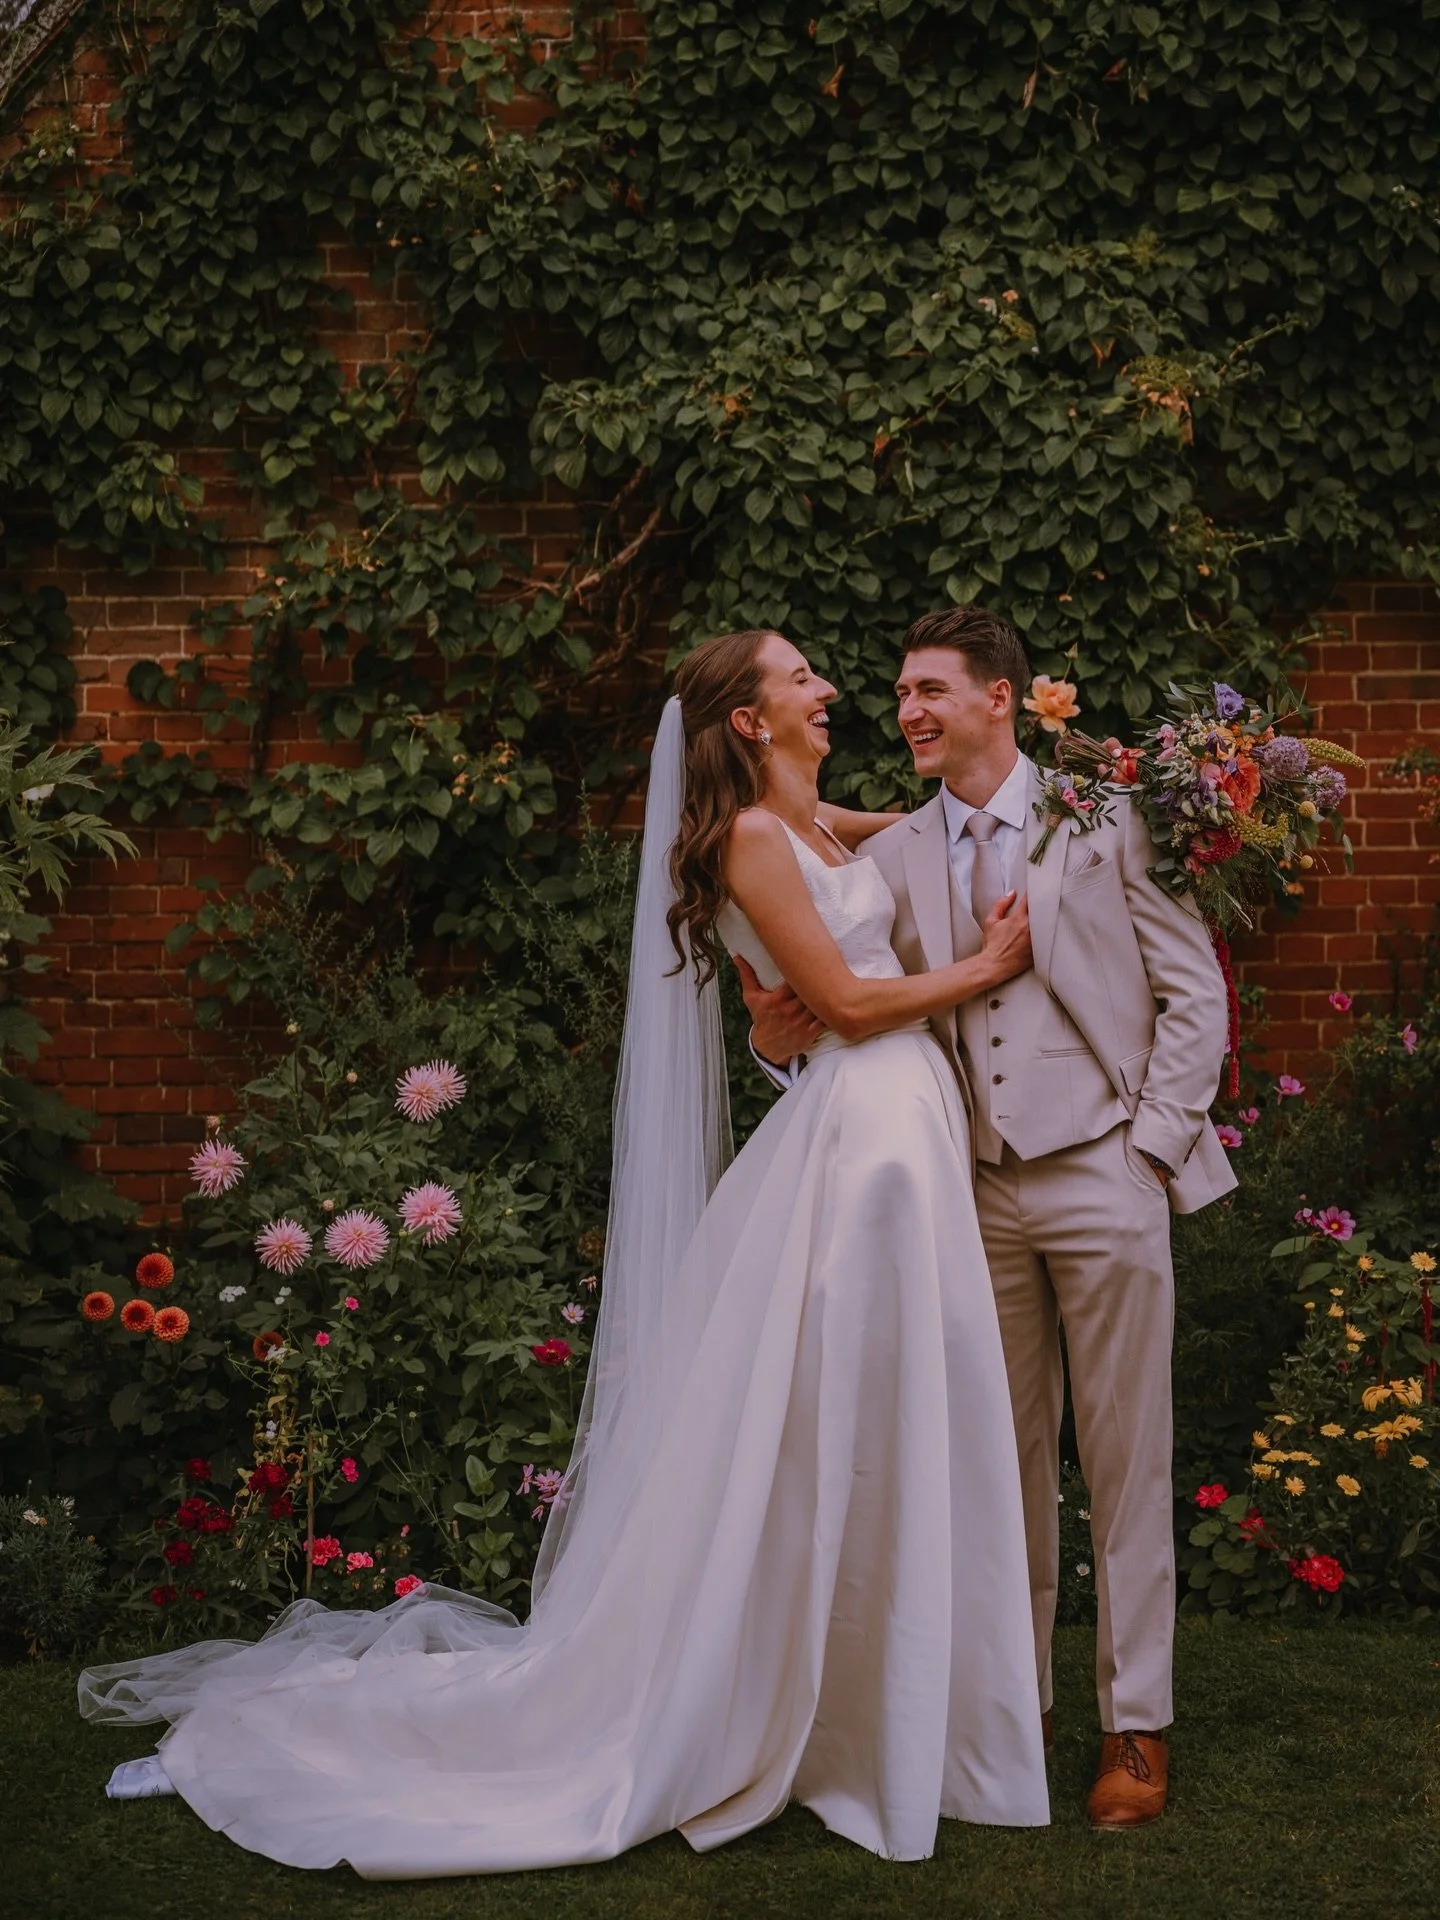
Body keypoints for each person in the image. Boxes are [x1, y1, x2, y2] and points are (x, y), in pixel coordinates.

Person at [79, 626, 1050, 1877]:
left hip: (896, 1132)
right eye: (802, 676)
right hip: (861, 1140)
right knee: (827, 1428)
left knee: (871, 1423)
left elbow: (924, 828)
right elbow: (852, 1008)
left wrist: (1054, 776)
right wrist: (984, 966)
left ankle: (864, 1704)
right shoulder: (753, 840)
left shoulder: (809, 821)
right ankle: (781, 1705)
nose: (830, 687)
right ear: (749, 721)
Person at [743, 605, 1235, 1830]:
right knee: (1000, 1471)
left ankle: (1135, 1728)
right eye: (900, 693)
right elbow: (828, 984)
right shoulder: (892, 852)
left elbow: (1194, 994)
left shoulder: (1102, 820)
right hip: (970, 1186)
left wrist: (1151, 1153)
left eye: (930, 691)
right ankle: (1020, 1707)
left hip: (1101, 1170)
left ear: (999, 699)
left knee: (1126, 1463)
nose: (905, 710)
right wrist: (768, 1031)